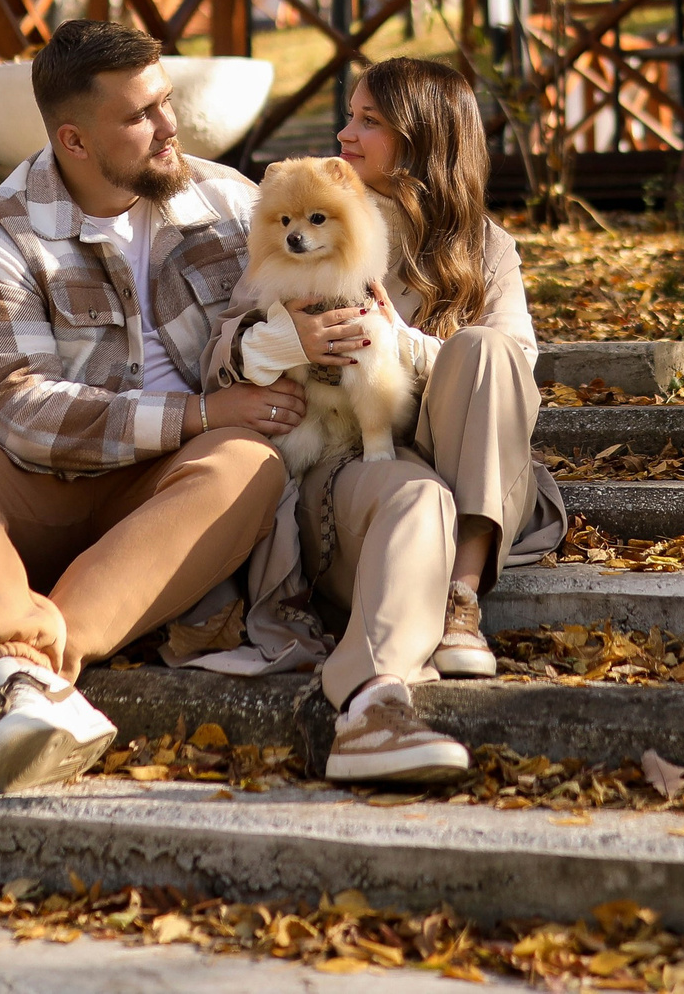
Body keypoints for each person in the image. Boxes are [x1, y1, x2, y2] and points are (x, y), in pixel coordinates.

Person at [0, 20, 306, 793]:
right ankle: (25, 673)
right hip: (42, 485)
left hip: (173, 498)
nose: (170, 128)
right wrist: (199, 414)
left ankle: (11, 673)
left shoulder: (233, 206)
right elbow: (22, 412)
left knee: (249, 463)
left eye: (166, 103)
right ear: (74, 140)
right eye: (140, 117)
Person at [206, 57, 565, 784]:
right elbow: (222, 353)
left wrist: (398, 343)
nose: (345, 133)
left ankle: (461, 598)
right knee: (412, 490)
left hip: (468, 464)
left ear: (424, 136)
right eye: (349, 114)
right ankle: (371, 701)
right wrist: (285, 340)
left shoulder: (487, 248)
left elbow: (516, 376)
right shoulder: (318, 216)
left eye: (369, 120)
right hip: (353, 469)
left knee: (489, 349)